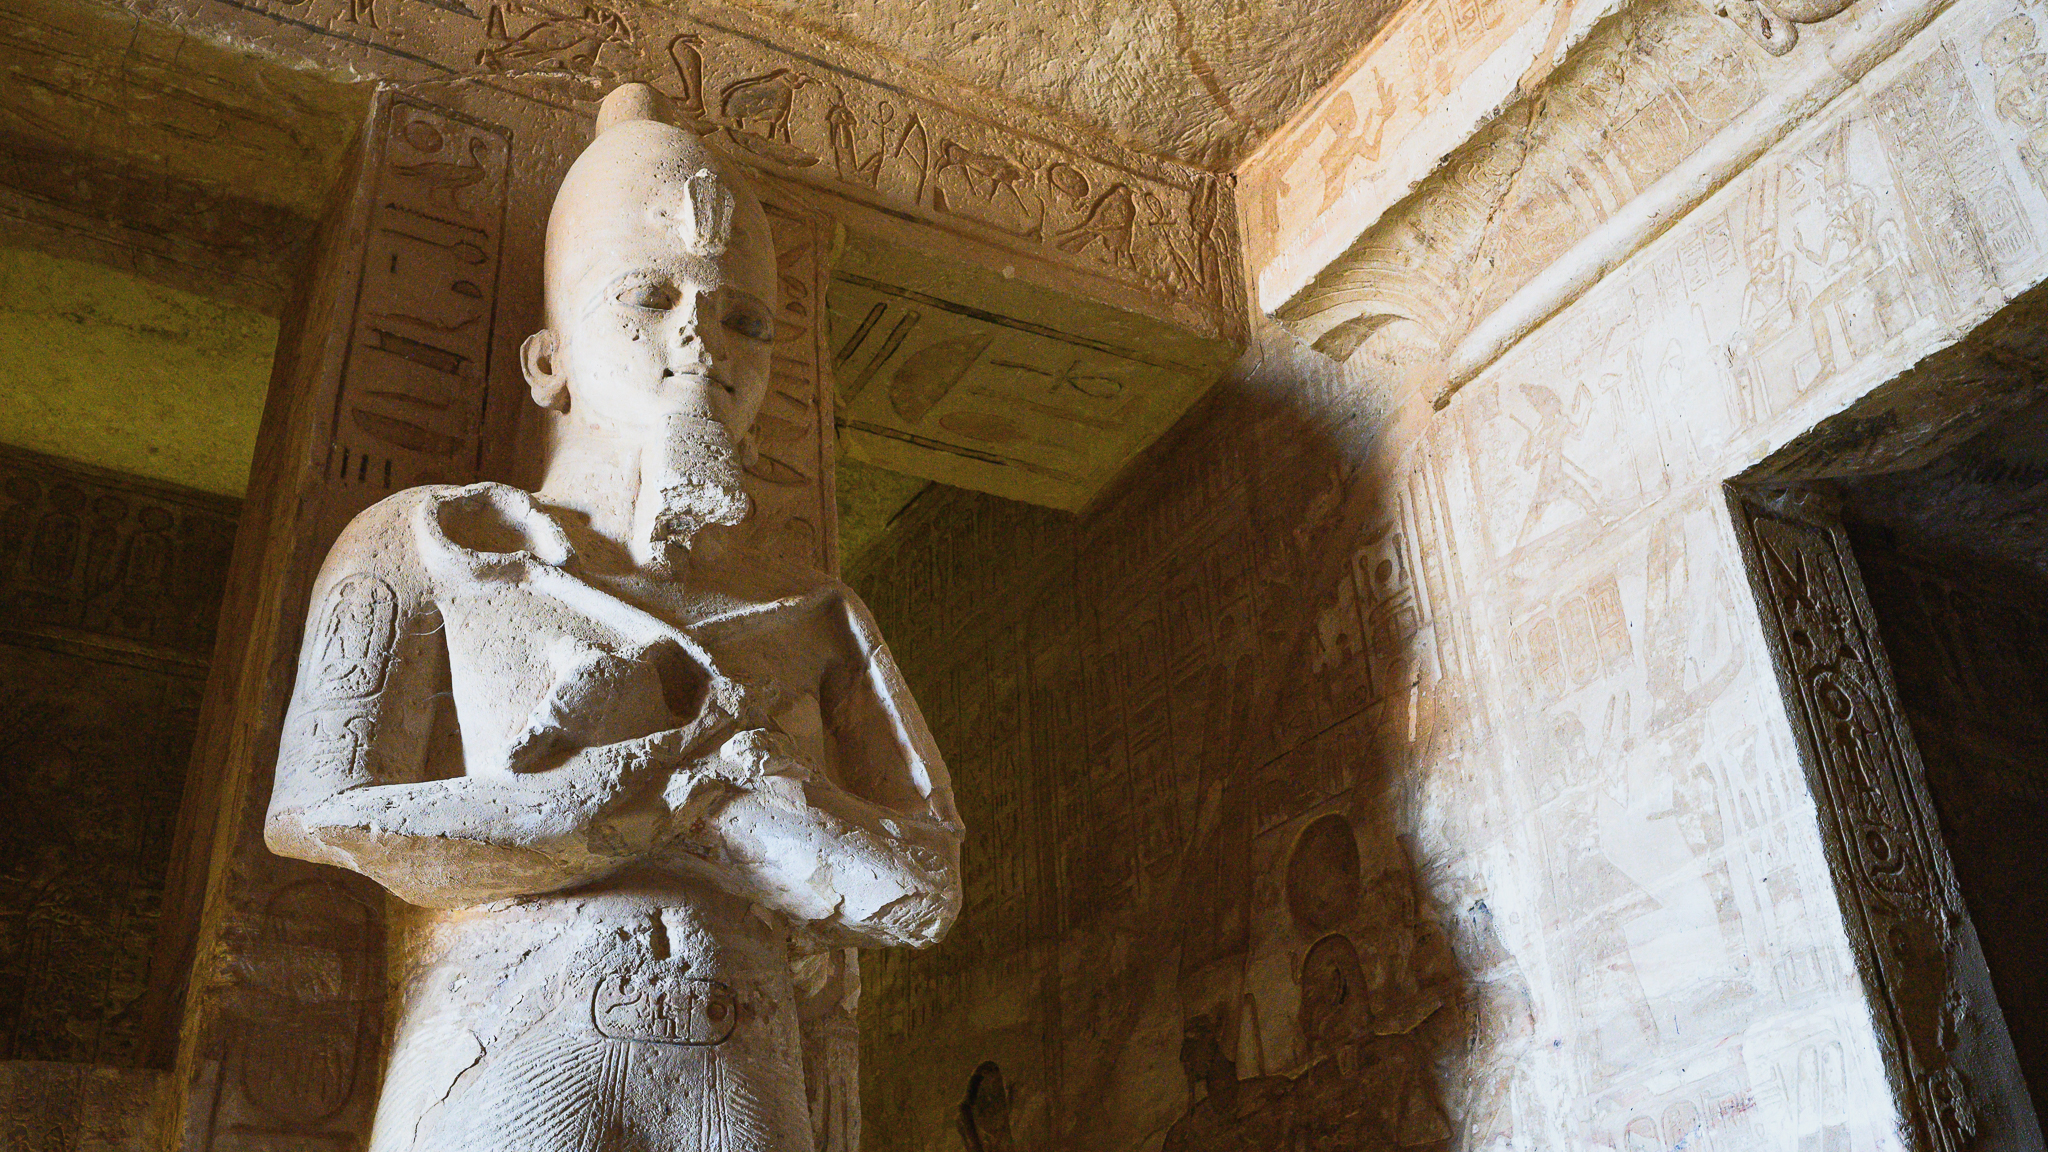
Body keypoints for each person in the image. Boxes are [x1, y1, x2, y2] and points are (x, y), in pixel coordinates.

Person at [266, 82, 962, 1152]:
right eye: (648, 295)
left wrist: (744, 797)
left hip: (742, 1067)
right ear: (548, 361)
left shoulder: (819, 618)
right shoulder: (429, 546)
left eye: (744, 320)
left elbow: (921, 886)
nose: (703, 341)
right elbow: (325, 811)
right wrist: (663, 795)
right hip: (502, 1047)